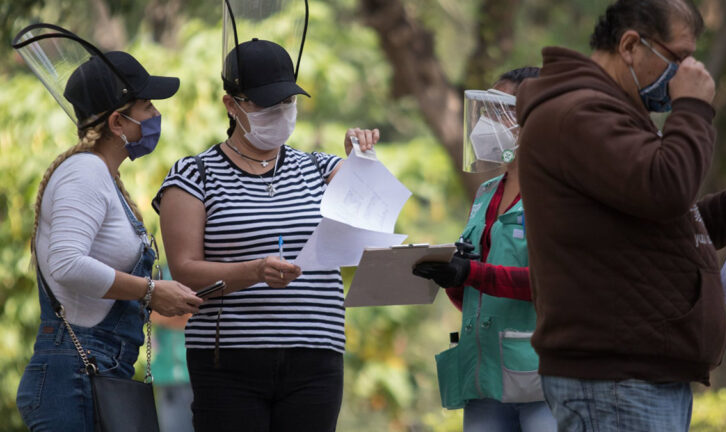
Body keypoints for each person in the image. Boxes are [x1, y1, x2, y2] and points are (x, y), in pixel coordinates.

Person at [515, 1, 726, 430]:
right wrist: (692, 110)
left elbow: (650, 221)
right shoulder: (579, 113)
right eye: (679, 58)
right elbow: (666, 188)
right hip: (616, 378)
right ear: (631, 45)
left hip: (636, 375)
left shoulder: (607, 112)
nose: (689, 72)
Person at [153, 38, 378, 432]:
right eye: (265, 105)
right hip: (228, 359)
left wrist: (361, 162)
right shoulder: (194, 175)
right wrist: (254, 271)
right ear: (231, 104)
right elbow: (184, 270)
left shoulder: (321, 168)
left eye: (287, 103)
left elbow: (371, 232)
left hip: (315, 356)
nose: (280, 113)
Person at [13, 26, 202, 432]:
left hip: (97, 370)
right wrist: (151, 291)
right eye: (148, 106)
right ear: (119, 120)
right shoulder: (84, 172)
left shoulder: (102, 175)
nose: (155, 117)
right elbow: (66, 264)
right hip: (73, 377)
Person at [413, 67, 556, 432]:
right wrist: (451, 277)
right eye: (485, 112)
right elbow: (475, 296)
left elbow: (554, 284)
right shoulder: (486, 192)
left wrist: (471, 273)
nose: (484, 125)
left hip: (542, 380)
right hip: (484, 376)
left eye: (498, 113)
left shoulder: (560, 194)